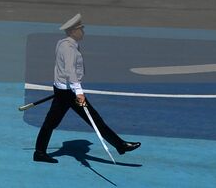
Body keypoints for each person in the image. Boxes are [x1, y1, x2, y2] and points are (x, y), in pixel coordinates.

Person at [33, 14, 140, 163]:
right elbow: (70, 71)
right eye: (80, 29)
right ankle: (120, 145)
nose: (83, 31)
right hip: (70, 93)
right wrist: (79, 92)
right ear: (72, 31)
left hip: (63, 91)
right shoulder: (69, 49)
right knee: (94, 119)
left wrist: (61, 89)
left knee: (51, 122)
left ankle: (39, 152)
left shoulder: (62, 43)